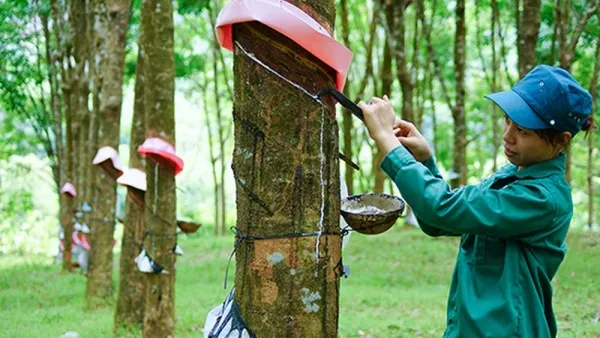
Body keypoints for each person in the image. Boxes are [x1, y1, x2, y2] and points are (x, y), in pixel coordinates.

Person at [357, 64, 595, 338]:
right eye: (507, 120)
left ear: (560, 141)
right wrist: (423, 161)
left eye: (524, 131)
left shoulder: (542, 199)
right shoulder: (511, 176)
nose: (508, 135)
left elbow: (440, 209)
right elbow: (437, 221)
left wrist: (386, 137)